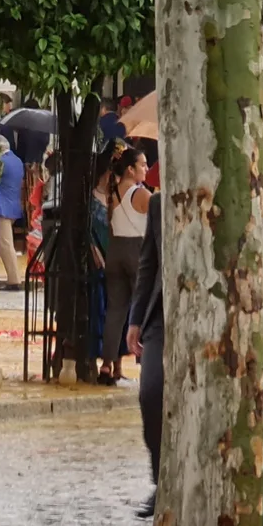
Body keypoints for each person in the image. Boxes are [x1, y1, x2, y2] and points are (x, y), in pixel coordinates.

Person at [126, 193, 164, 519]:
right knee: (151, 393)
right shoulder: (158, 204)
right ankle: (161, 480)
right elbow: (148, 262)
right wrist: (135, 318)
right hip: (161, 316)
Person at [101, 147, 151, 386]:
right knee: (145, 309)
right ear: (130, 169)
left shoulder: (113, 193)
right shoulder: (140, 194)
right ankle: (147, 364)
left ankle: (107, 364)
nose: (146, 169)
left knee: (115, 310)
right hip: (136, 252)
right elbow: (161, 217)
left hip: (115, 252)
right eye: (142, 165)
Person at [0, 139, 25, 287]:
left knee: (5, 244)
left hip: (1, 208)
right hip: (13, 206)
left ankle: (14, 279)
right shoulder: (17, 161)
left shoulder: (1, 162)